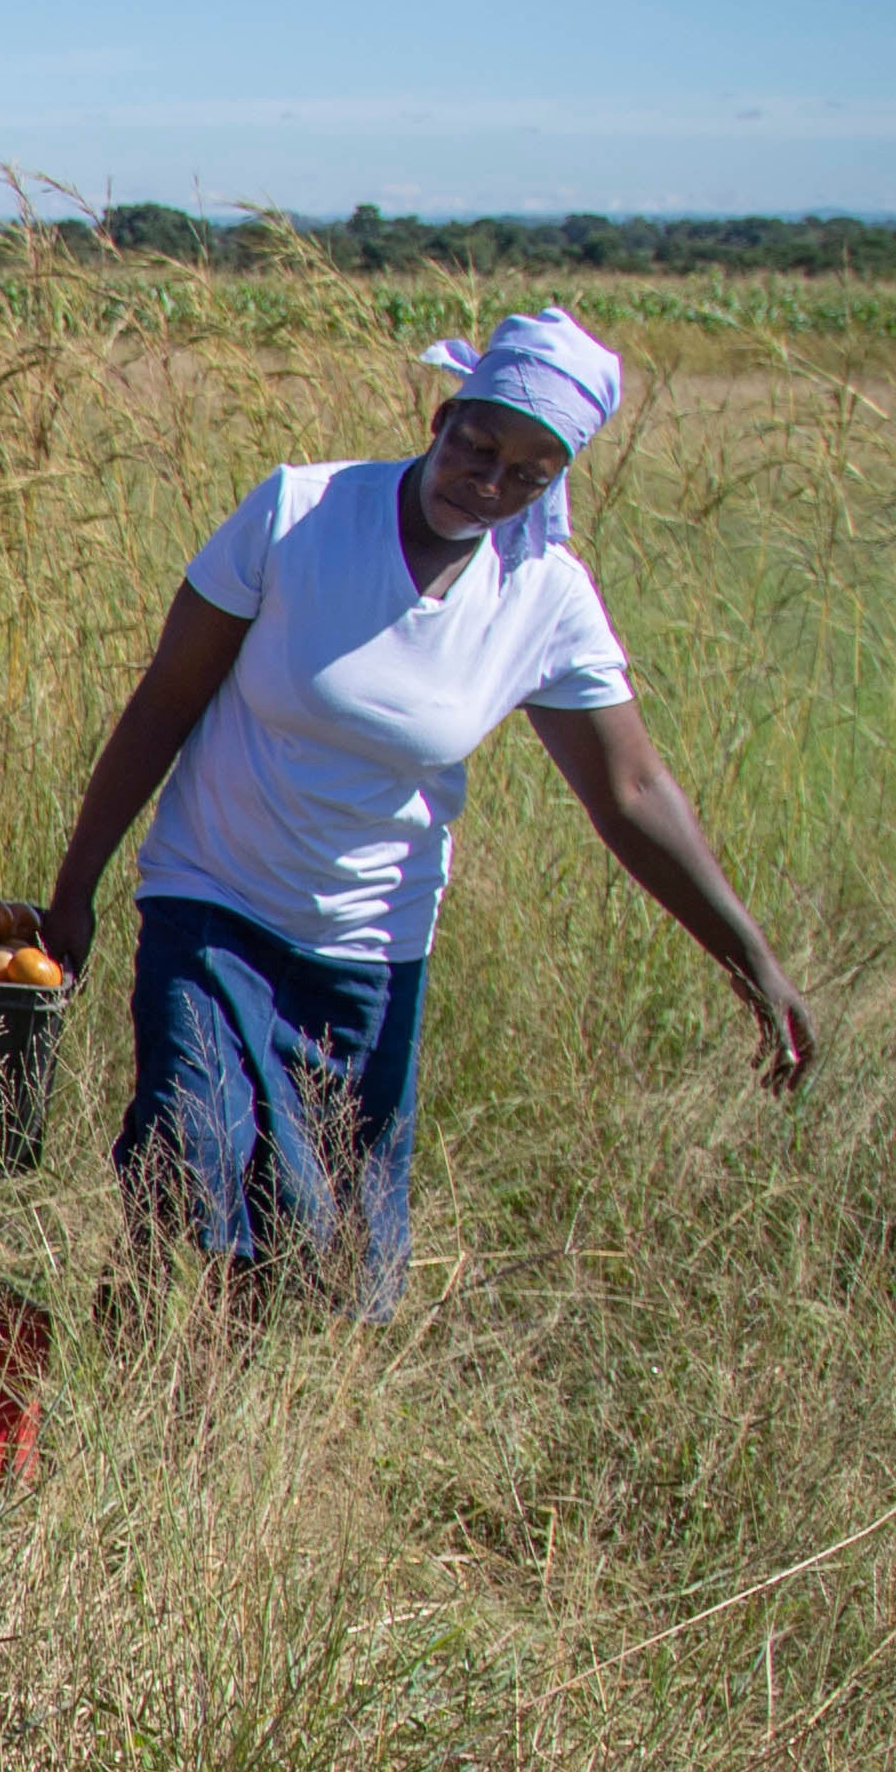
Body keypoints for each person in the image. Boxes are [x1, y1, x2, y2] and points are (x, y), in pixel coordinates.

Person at [40, 307, 811, 1308]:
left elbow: (632, 792)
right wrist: (77, 891)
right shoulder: (302, 514)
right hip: (213, 904)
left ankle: (214, 1427)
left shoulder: (543, 595)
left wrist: (753, 961)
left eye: (530, 473)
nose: (489, 484)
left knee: (308, 1248)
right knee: (188, 1159)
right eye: (477, 447)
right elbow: (166, 701)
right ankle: (134, 1391)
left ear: (559, 478)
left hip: (368, 950)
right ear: (442, 415)